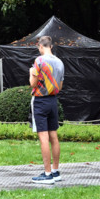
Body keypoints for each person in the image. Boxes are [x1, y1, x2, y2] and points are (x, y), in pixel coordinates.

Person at [29, 36, 64, 184]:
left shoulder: (39, 61)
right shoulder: (60, 62)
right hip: (53, 100)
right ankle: (55, 171)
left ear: (40, 46)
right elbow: (60, 86)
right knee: (53, 136)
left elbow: (32, 83)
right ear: (51, 46)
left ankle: (47, 174)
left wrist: (31, 72)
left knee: (43, 137)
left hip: (40, 101)